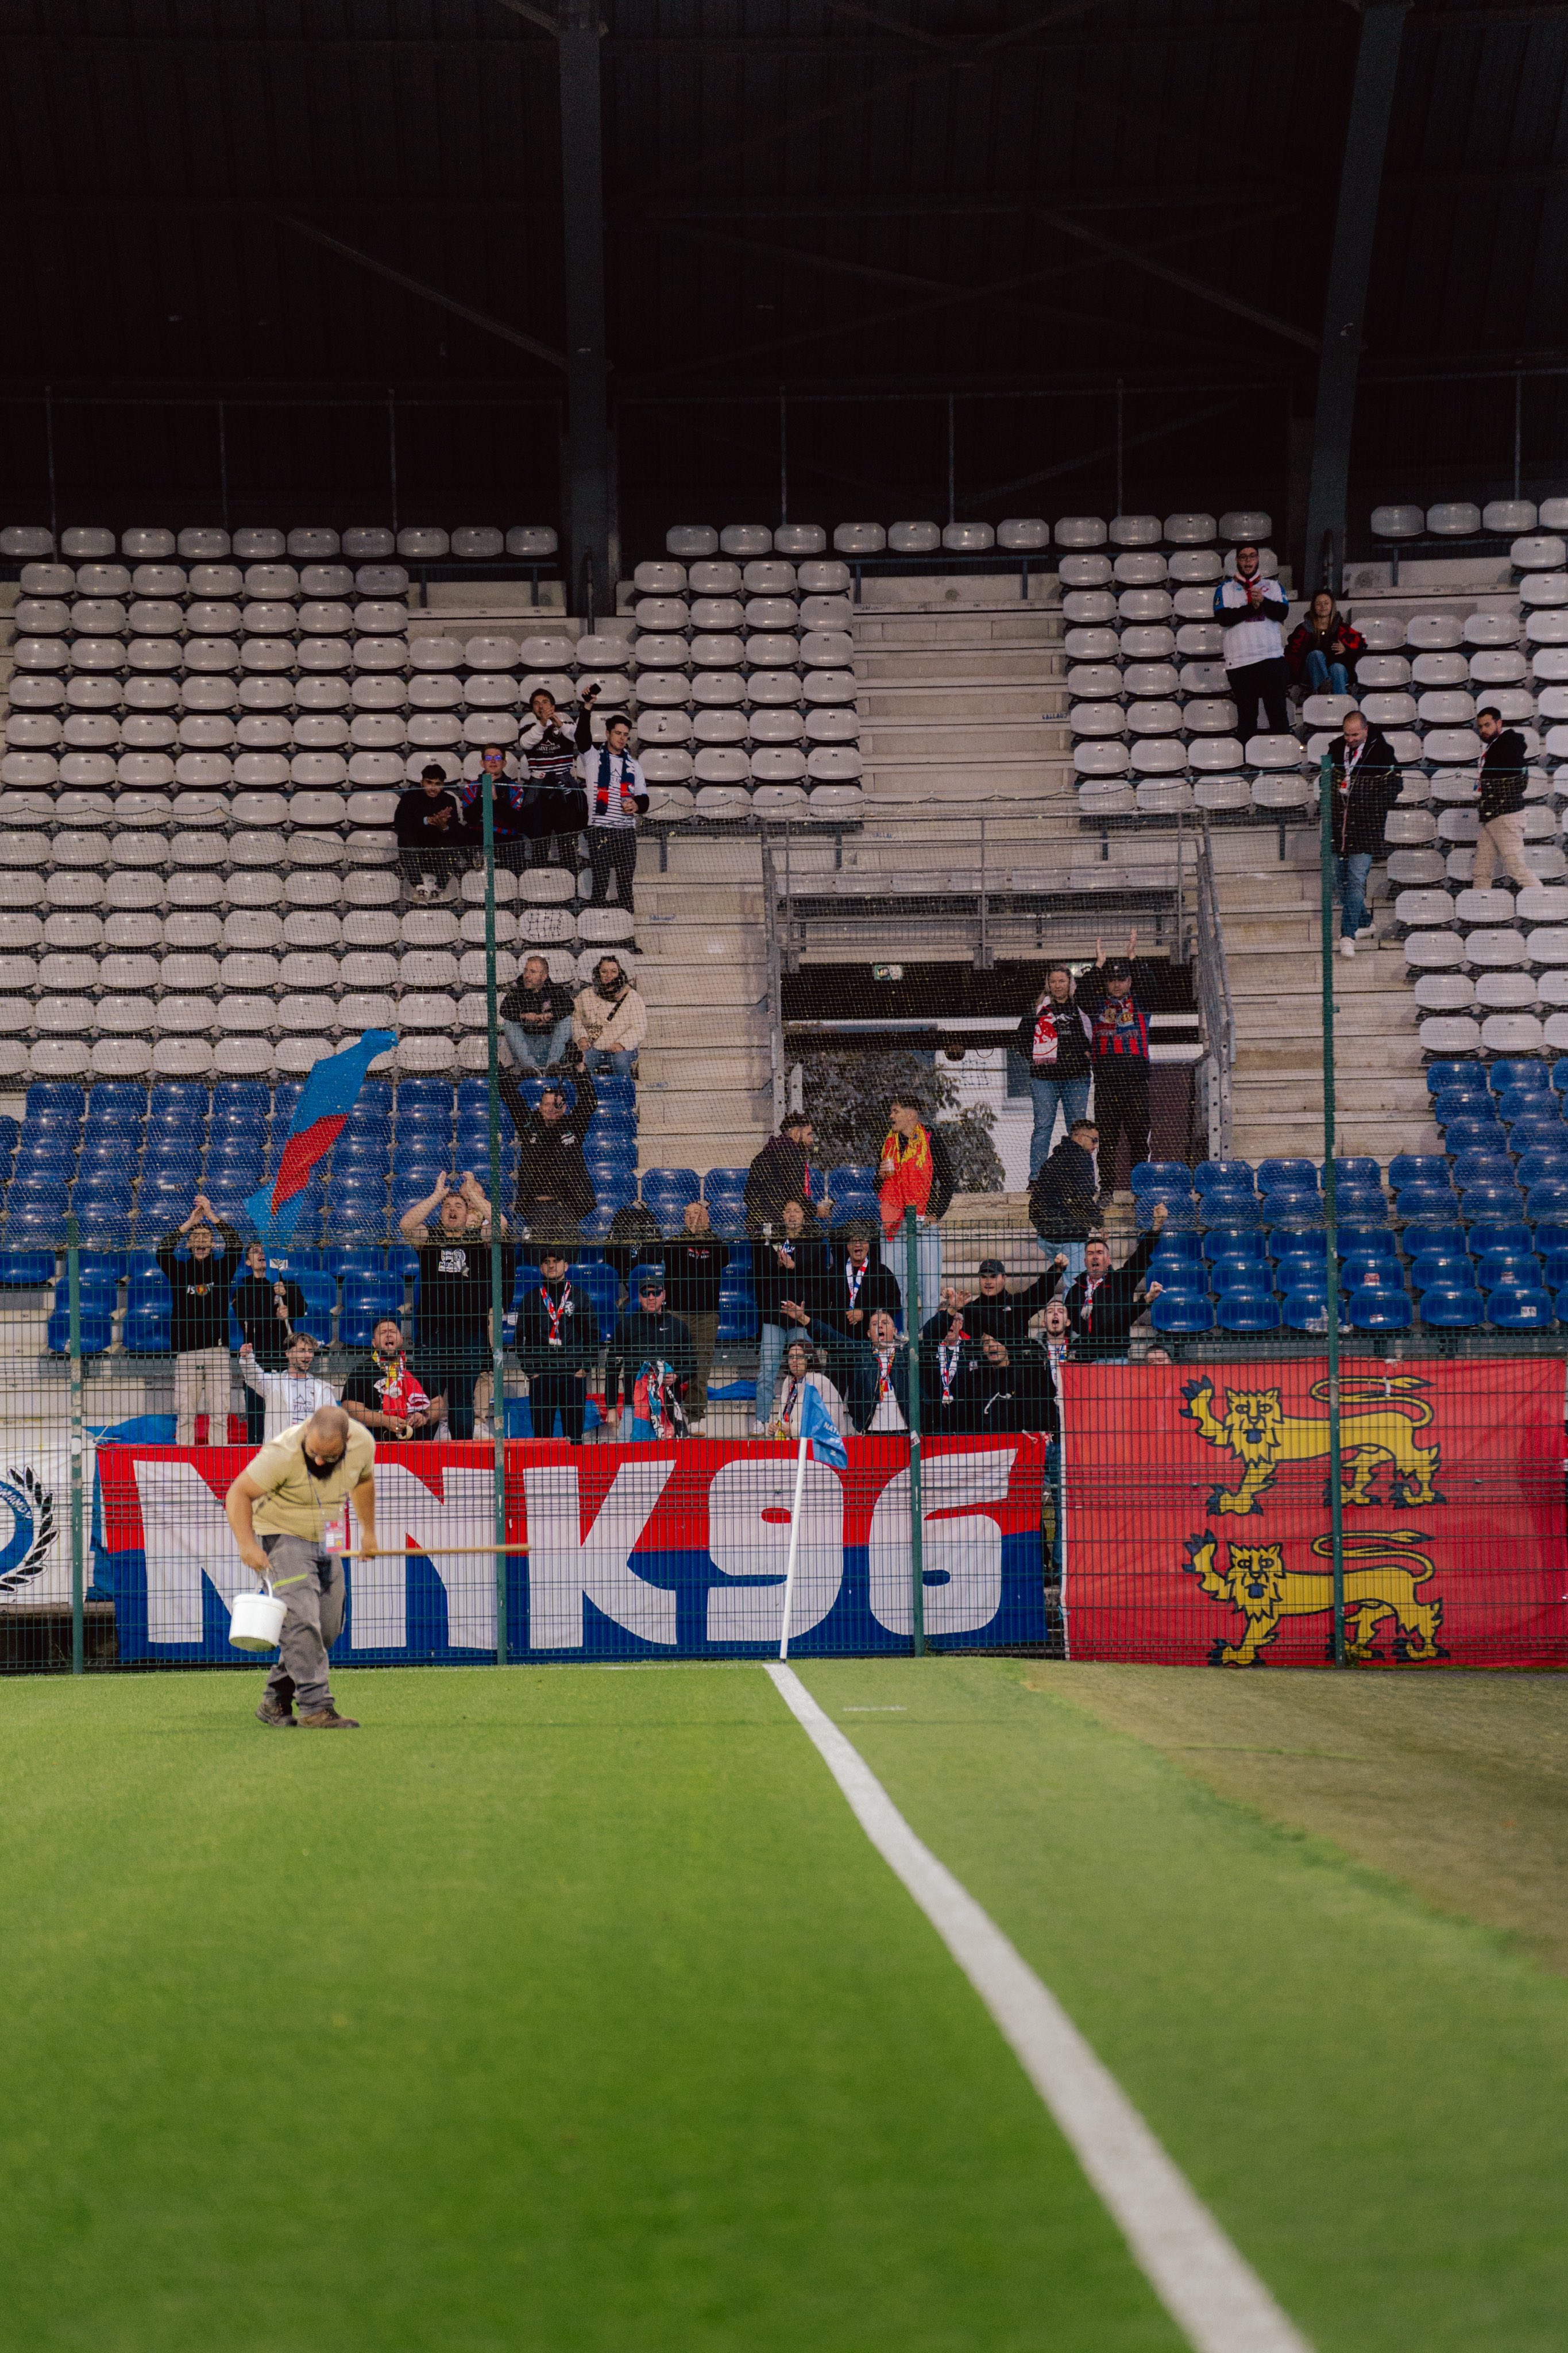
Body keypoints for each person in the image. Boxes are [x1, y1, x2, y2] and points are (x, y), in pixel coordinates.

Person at [225, 1405, 378, 1731]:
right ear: (307, 1431)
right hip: (283, 1536)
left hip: (329, 1536)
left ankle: (275, 1699)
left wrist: (369, 1531)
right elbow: (239, 1492)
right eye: (314, 1454)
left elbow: (364, 1481)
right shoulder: (282, 1452)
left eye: (330, 1456)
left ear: (348, 1441)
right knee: (302, 1622)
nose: (320, 1462)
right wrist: (247, 1545)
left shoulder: (364, 1443)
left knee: (326, 1629)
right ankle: (316, 1707)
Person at [397, 1172, 513, 1441]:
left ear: (468, 1212)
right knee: (427, 1396)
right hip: (433, 1333)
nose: (452, 1209)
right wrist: (437, 1195)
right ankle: (424, 1452)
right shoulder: (431, 1237)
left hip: (470, 1333)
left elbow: (501, 1224)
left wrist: (471, 1194)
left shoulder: (478, 1238)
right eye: (447, 1206)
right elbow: (406, 1224)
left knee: (463, 1398)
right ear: (441, 1213)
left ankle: (462, 1453)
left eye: (458, 1206)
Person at [157, 1194, 244, 1445]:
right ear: (189, 1244)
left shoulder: (223, 1268)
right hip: (187, 1352)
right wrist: (189, 1223)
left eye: (206, 1238)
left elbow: (236, 1244)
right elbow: (162, 1251)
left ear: (213, 1244)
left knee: (219, 1414)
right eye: (196, 1238)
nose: (201, 1242)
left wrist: (212, 1216)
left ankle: (218, 1458)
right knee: (185, 1414)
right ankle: (184, 1459)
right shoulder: (179, 1270)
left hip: (218, 1351)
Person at [1079, 934, 1154, 1203]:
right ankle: (1107, 1191)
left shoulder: (1141, 1003)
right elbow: (1082, 994)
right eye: (1112, 980)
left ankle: (1141, 1192)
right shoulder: (1098, 1005)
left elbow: (1152, 985)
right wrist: (1098, 964)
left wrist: (1133, 956)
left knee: (1138, 1140)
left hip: (1136, 1084)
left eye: (1122, 979)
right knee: (1107, 1142)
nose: (1117, 984)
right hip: (1107, 1085)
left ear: (1130, 981)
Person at [1327, 709, 1402, 959]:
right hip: (1339, 828)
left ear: (1366, 731)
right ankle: (1366, 923)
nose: (1350, 739)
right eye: (1347, 735)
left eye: (1355, 735)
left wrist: (1373, 806)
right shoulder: (1336, 749)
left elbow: (1395, 785)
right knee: (1340, 881)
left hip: (1367, 828)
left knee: (1356, 880)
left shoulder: (1382, 752)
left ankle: (1347, 935)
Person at [752, 1198, 829, 1435]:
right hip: (774, 1318)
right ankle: (761, 1420)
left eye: (796, 1211)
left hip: (801, 1317)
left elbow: (819, 1276)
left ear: (804, 1216)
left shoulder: (814, 1240)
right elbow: (759, 1274)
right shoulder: (770, 1241)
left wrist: (795, 1266)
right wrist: (777, 1264)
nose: (792, 1215)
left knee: (805, 1371)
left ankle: (805, 1419)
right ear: (783, 1217)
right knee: (767, 1371)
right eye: (788, 1211)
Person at [498, 1067, 598, 1241]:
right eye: (546, 1104)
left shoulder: (574, 1125)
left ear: (564, 1107)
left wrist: (581, 1071)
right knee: (539, 1252)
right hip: (536, 1208)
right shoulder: (529, 1124)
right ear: (539, 1107)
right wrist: (499, 1067)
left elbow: (590, 1102)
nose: (551, 1109)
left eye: (556, 1105)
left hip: (568, 1208)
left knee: (566, 1252)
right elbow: (511, 1097)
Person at [876, 1094, 951, 1323]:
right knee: (894, 1287)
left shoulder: (930, 1139)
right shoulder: (888, 1141)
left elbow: (948, 1180)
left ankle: (929, 1338)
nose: (891, 1116)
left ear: (911, 1114)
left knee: (929, 1289)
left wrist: (935, 1213)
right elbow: (876, 1186)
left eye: (896, 1111)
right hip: (893, 1225)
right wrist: (880, 1176)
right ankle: (898, 1336)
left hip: (922, 1224)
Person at [1016, 963, 1093, 1180]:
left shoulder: (1081, 1008)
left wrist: (1087, 1053)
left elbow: (1094, 1036)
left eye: (1062, 981)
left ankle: (1079, 1178)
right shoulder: (1038, 1009)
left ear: (1070, 983)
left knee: (1078, 1130)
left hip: (1076, 1079)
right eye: (1053, 981)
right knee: (1042, 1128)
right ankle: (1037, 1178)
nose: (1058, 985)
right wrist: (1037, 1058)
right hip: (1044, 1080)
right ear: (1047, 984)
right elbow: (1021, 1039)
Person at [1055, 1210, 1167, 1359]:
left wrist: (1156, 1227)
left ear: (1108, 1260)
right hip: (1085, 1357)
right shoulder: (1076, 1290)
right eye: (1090, 1254)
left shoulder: (1122, 1280)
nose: (1095, 1257)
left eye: (1100, 1253)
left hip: (1115, 1355)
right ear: (1085, 1262)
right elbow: (1070, 1327)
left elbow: (1140, 1256)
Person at [658, 1201, 730, 1426]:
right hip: (677, 1313)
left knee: (701, 1367)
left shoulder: (715, 1243)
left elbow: (724, 1258)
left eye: (698, 1214)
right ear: (683, 1218)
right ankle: (668, 1413)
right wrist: (692, 1235)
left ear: (707, 1219)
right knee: (670, 1364)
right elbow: (671, 1256)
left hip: (706, 1316)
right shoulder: (675, 1243)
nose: (693, 1218)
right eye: (689, 1214)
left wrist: (705, 1233)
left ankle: (695, 1416)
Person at [513, 1247, 597, 1442]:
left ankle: (574, 1461)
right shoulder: (531, 1298)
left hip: (572, 1375)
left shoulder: (579, 1296)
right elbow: (520, 1338)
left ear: (566, 1266)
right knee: (542, 1438)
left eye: (556, 1261)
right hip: (542, 1376)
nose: (551, 1265)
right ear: (541, 1268)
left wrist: (584, 1367)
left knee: (574, 1437)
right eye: (546, 1262)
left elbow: (593, 1334)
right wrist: (531, 1371)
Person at [231, 1241, 310, 1444]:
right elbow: (248, 1323)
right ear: (248, 1262)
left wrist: (286, 1295)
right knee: (257, 1420)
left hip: (284, 1362)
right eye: (256, 1251)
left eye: (264, 1250)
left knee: (288, 1418)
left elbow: (301, 1309)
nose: (262, 1254)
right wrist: (274, 1316)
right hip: (258, 1362)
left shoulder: (286, 1285)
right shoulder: (243, 1291)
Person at [604, 1270, 694, 1440]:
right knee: (629, 1454)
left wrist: (677, 1376)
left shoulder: (678, 1327)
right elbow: (612, 1366)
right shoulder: (626, 1326)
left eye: (656, 1293)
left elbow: (692, 1364)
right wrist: (611, 1407)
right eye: (646, 1293)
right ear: (639, 1297)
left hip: (668, 1407)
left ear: (664, 1295)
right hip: (633, 1407)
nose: (651, 1298)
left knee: (669, 1454)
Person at [1214, 541, 1291, 740]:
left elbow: (1282, 613)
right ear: (1237, 561)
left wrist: (1263, 602)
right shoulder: (1225, 589)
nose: (1248, 561)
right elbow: (1224, 618)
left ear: (1258, 559)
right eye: (1243, 557)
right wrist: (1252, 607)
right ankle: (1247, 758)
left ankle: (1282, 758)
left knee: (1278, 715)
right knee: (1247, 719)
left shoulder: (1273, 587)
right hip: (1241, 662)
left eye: (1252, 556)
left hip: (1271, 658)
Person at [579, 709, 648, 916]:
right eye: (618, 733)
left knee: (625, 882)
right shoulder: (593, 758)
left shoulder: (634, 765)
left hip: (625, 830)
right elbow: (581, 737)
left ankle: (627, 928)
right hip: (600, 829)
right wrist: (587, 707)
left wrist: (636, 806)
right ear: (608, 733)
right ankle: (595, 927)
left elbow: (644, 799)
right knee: (600, 880)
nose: (622, 738)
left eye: (626, 735)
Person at [518, 682, 595, 861]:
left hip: (564, 789)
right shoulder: (528, 729)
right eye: (536, 703)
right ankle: (539, 874)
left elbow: (581, 738)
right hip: (539, 789)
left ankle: (570, 873)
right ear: (533, 709)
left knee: (567, 841)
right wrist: (543, 724)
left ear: (553, 706)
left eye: (545, 702)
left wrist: (558, 724)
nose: (541, 706)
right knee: (539, 841)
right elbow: (526, 743)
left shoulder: (566, 726)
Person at [341, 1318, 444, 1442]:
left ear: (401, 1339)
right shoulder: (362, 1371)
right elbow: (350, 1407)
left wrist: (425, 1417)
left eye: (393, 1332)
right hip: (378, 1443)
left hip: (418, 1444)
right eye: (383, 1332)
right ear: (374, 1343)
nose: (389, 1335)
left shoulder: (417, 1369)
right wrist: (385, 1421)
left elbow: (438, 1403)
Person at [1473, 704, 1539, 891]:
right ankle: (1480, 908)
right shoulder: (1495, 747)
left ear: (1499, 723)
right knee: (1481, 871)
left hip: (1506, 816)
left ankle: (1547, 904)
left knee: (1516, 868)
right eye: (1481, 727)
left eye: (1487, 725)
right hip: (1492, 816)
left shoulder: (1507, 745)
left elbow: (1520, 780)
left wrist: (1491, 792)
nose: (1483, 730)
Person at [1029, 1117, 1101, 1279]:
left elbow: (1036, 1200)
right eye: (1094, 1140)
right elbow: (1083, 1197)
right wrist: (1099, 1223)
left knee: (1058, 1279)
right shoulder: (1083, 1160)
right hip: (1070, 1237)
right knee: (1076, 1284)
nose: (1096, 1146)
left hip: (1047, 1237)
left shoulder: (1052, 1160)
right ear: (1080, 1138)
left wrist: (1043, 1227)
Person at [238, 1329, 337, 1444]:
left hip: (310, 1449)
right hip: (281, 1450)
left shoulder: (322, 1389)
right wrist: (248, 1359)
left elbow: (334, 1420)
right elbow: (254, 1378)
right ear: (288, 1354)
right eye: (302, 1351)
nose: (307, 1355)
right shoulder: (274, 1383)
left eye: (310, 1351)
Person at [945, 1254, 1059, 1351]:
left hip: (1015, 1366)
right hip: (981, 1368)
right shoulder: (970, 1308)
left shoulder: (1018, 1303)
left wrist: (1057, 1269)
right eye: (984, 1277)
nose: (988, 1281)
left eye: (993, 1276)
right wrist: (952, 1305)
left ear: (1004, 1278)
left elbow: (1041, 1290)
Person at [395, 763, 474, 898]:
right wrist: (427, 821)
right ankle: (419, 886)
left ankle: (440, 886)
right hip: (416, 852)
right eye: (429, 783)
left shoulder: (449, 800)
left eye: (438, 784)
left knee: (459, 831)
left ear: (443, 785)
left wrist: (444, 826)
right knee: (405, 835)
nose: (433, 788)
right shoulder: (409, 797)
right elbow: (399, 823)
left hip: (440, 854)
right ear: (422, 782)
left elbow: (453, 829)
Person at [745, 1111, 822, 1232]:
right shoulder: (793, 1156)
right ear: (797, 1133)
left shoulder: (760, 1156)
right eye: (809, 1134)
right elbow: (796, 1194)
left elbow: (748, 1195)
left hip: (756, 1226)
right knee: (816, 1233)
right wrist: (816, 1211)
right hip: (780, 1227)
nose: (811, 1140)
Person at [573, 955, 647, 1077]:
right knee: (582, 1062)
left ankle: (623, 1090)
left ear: (620, 973)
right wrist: (582, 1038)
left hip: (623, 1050)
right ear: (598, 974)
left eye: (613, 971)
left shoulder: (632, 997)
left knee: (620, 1062)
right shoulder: (585, 995)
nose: (609, 975)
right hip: (594, 1047)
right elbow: (576, 1020)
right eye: (604, 972)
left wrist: (622, 1044)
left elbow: (639, 1027)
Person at [500, 954, 574, 1075]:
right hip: (528, 1045)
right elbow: (504, 1010)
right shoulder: (517, 991)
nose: (527, 975)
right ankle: (532, 1069)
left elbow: (570, 1006)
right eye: (526, 971)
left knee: (566, 1020)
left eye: (533, 972)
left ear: (544, 976)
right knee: (509, 1024)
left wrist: (551, 1015)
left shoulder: (554, 990)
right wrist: (525, 1016)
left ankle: (552, 1066)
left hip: (549, 1045)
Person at [970, 1331, 1055, 1434]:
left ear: (1007, 1345)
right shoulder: (980, 1383)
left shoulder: (1025, 1377)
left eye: (996, 1341)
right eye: (986, 1343)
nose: (991, 1346)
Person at [1286, 591, 1366, 700]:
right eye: (1319, 604)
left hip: (1338, 673)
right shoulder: (1303, 630)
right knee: (1316, 654)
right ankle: (1323, 689)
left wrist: (1346, 649)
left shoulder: (1342, 628)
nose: (1323, 606)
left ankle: (1341, 703)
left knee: (1337, 668)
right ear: (1314, 607)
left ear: (1332, 606)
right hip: (1310, 675)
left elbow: (1361, 645)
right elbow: (1292, 654)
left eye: (1326, 603)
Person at [920, 1292, 979, 1435]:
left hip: (965, 1426)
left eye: (955, 1319)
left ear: (961, 1324)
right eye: (945, 1318)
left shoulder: (972, 1349)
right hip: (933, 1425)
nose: (950, 1323)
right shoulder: (927, 1349)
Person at [767, 1338, 848, 1441]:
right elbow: (785, 1417)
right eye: (791, 1357)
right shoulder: (789, 1382)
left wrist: (794, 1430)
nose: (794, 1360)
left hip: (818, 1446)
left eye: (800, 1357)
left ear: (809, 1359)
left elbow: (829, 1423)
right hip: (794, 1445)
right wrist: (776, 1427)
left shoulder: (821, 1383)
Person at [855, 1307, 911, 1434]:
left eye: (885, 1323)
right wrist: (809, 1321)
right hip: (872, 1430)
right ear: (869, 1334)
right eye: (875, 1324)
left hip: (904, 1429)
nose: (880, 1326)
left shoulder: (905, 1353)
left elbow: (931, 1333)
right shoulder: (862, 1354)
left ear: (895, 1331)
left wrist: (950, 1312)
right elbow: (835, 1339)